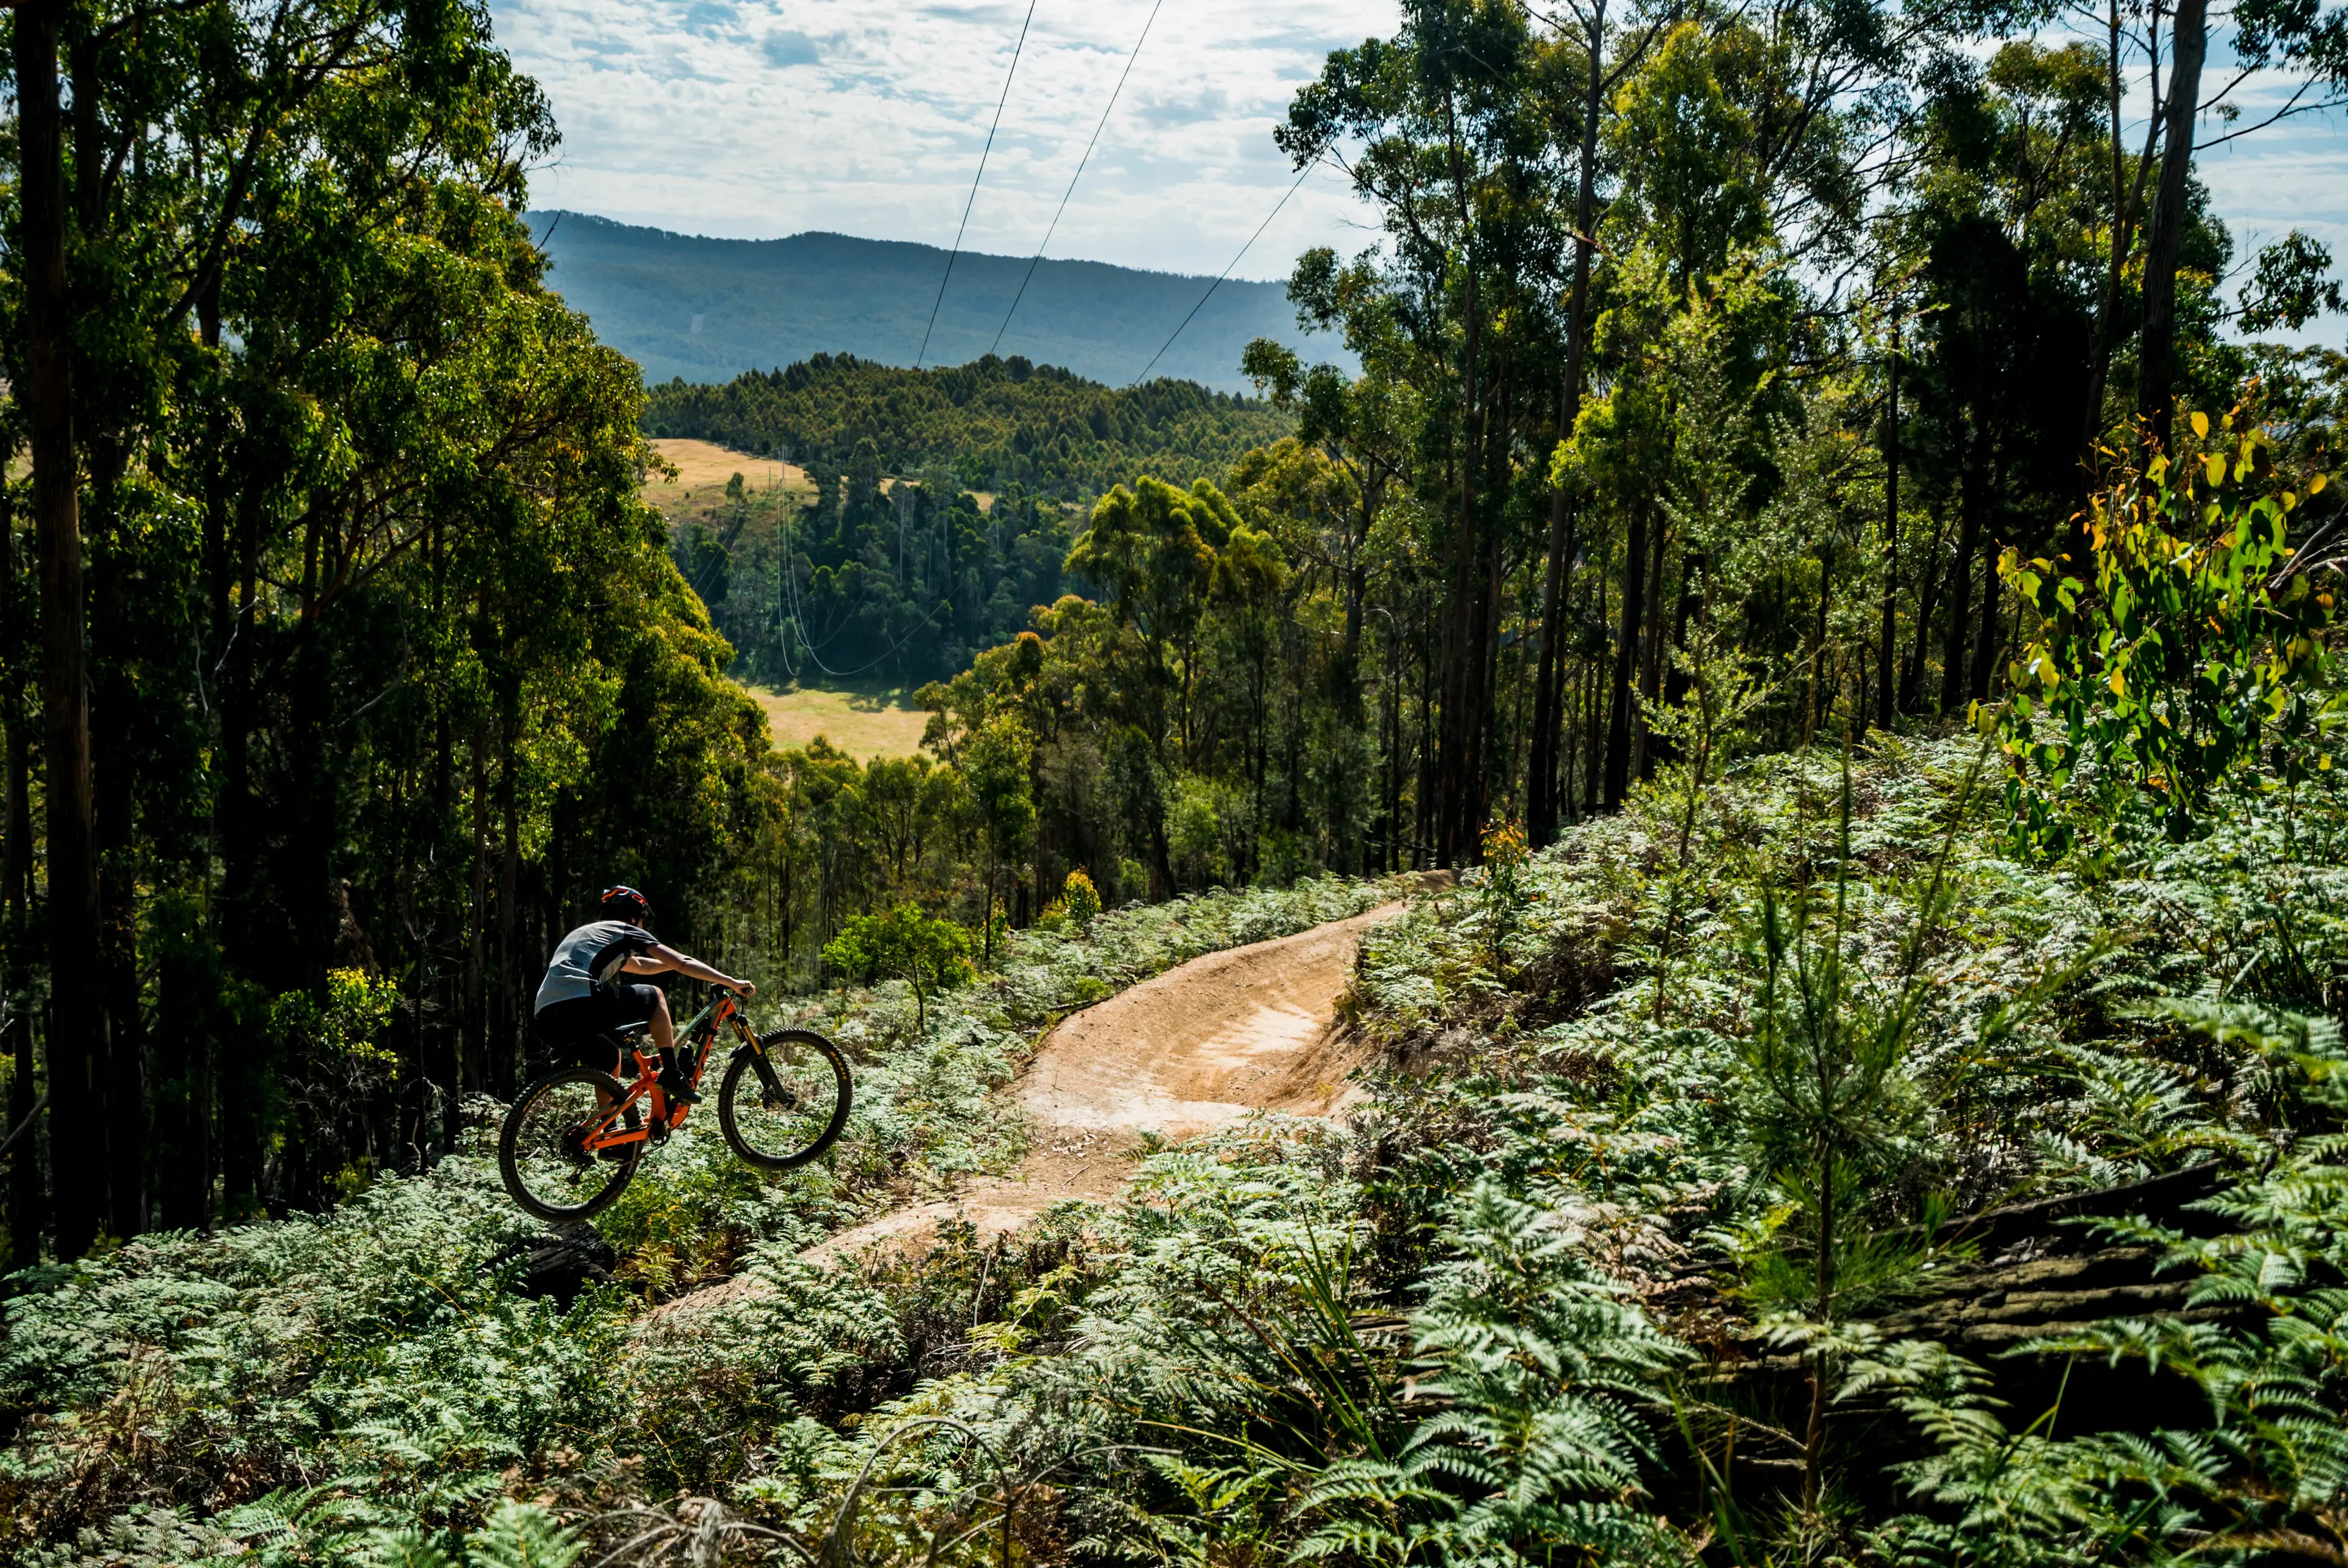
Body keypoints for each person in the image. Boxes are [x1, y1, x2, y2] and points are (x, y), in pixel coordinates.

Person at [533, 886, 755, 1106]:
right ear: (633, 917)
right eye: (643, 920)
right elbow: (682, 962)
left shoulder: (586, 934)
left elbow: (638, 964)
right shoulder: (625, 930)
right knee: (656, 996)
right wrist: (732, 982)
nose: (642, 926)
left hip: (545, 1016)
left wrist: (670, 965)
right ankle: (672, 1074)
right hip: (582, 1002)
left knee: (610, 1058)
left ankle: (607, 1133)